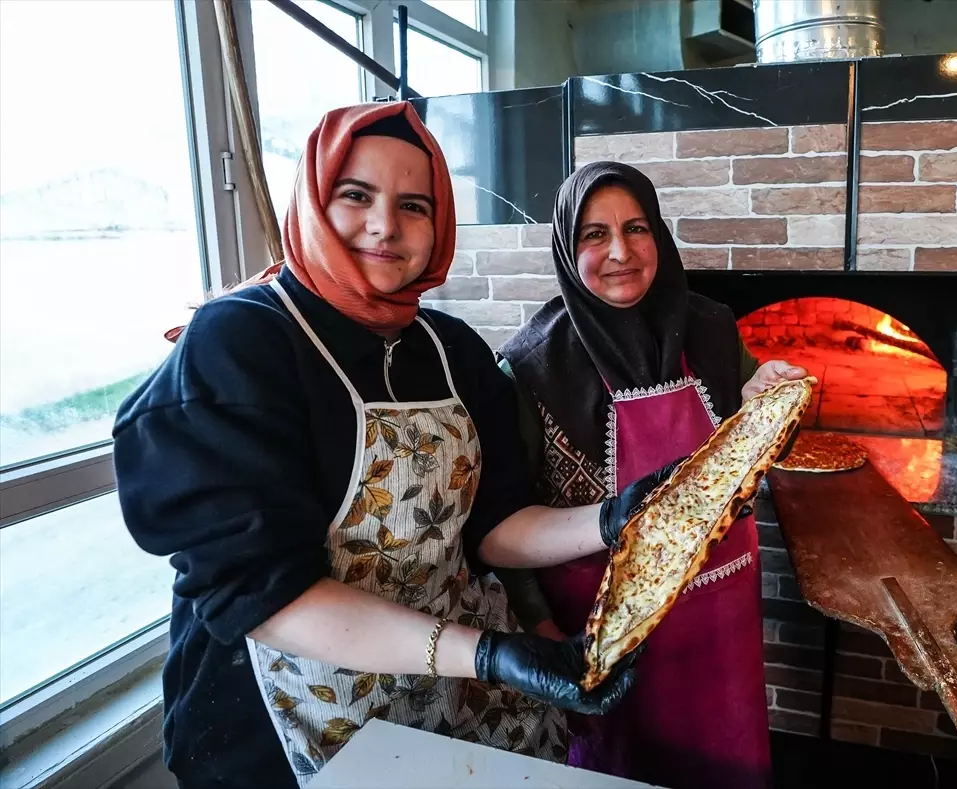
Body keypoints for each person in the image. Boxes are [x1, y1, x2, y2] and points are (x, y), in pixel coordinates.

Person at [112, 105, 671, 789]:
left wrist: (615, 518)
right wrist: (489, 653)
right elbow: (263, 594)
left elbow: (496, 526)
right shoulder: (242, 342)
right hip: (288, 713)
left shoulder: (449, 348)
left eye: (413, 205)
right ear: (314, 203)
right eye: (356, 196)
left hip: (453, 697)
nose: (385, 226)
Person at [498, 161, 809, 789]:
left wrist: (766, 394)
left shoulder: (711, 327)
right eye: (594, 234)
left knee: (725, 760)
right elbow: (505, 519)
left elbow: (755, 436)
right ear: (566, 248)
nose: (622, 251)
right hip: (609, 630)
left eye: (636, 228)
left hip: (721, 614)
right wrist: (542, 628)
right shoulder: (531, 366)